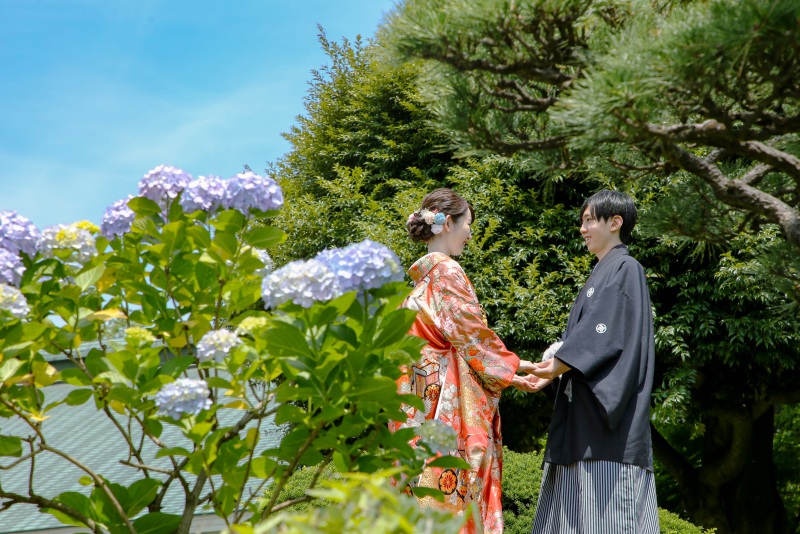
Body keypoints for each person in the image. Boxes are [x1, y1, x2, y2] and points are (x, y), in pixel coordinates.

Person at [388, 188, 535, 534]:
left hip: (418, 404)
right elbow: (470, 335)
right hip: (445, 407)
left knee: (421, 492)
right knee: (453, 494)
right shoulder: (448, 272)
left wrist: (513, 370)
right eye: (468, 223)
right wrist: (517, 367)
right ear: (448, 223)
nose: (470, 232)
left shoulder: (419, 283)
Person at [518, 189, 660, 533]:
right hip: (581, 423)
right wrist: (553, 369)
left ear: (615, 223)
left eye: (589, 220)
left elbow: (603, 333)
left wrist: (555, 366)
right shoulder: (602, 273)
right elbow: (585, 339)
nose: (582, 228)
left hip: (607, 431)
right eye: (581, 221)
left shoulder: (626, 268)